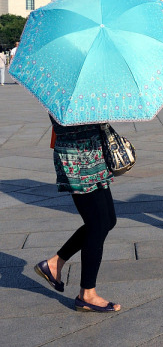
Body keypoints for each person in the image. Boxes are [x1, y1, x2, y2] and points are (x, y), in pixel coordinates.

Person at [34, 118, 121, 312]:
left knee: (107, 221)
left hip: (93, 153)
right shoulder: (66, 90)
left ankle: (54, 263)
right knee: (98, 225)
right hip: (78, 158)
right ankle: (87, 294)